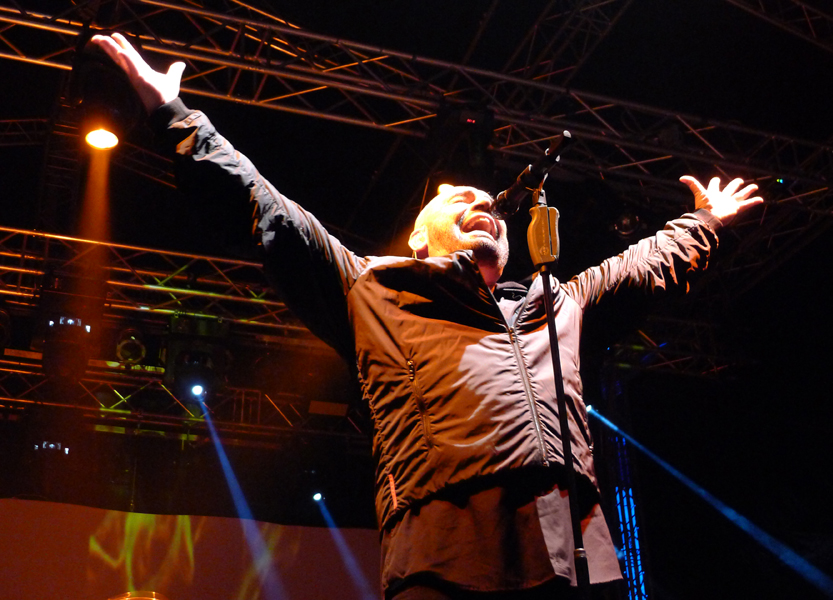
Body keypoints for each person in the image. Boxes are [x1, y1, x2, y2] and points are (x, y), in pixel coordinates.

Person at [92, 33, 763, 600]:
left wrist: (707, 222)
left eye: (489, 205)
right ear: (417, 237)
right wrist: (174, 114)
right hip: (445, 551)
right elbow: (260, 207)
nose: (482, 203)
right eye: (458, 199)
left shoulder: (558, 303)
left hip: (575, 552)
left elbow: (644, 267)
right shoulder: (372, 288)